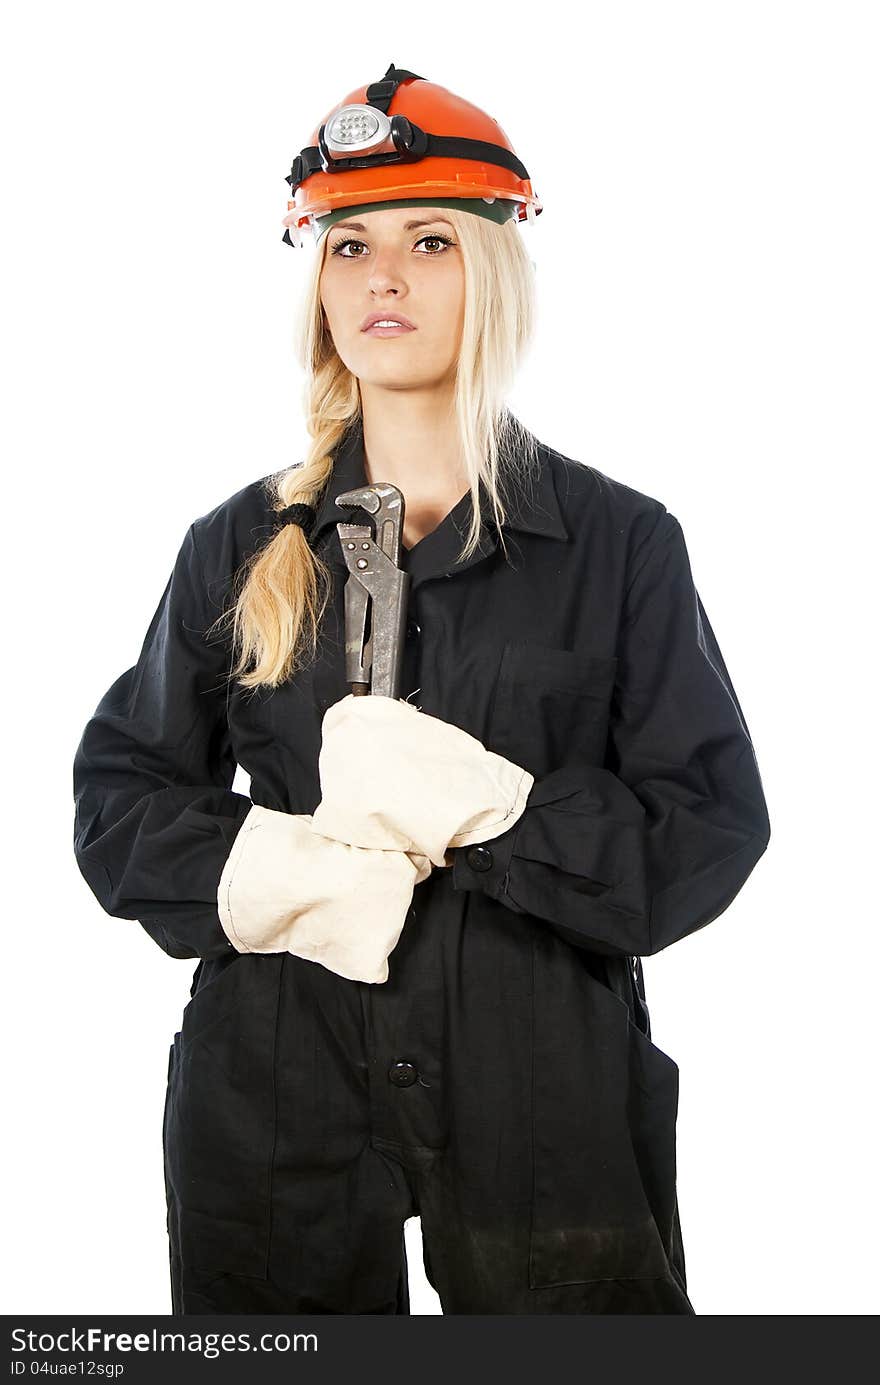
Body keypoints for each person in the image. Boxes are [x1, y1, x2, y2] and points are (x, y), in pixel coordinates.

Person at [72, 63, 771, 1315]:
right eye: (348, 246)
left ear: (495, 273)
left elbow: (706, 826)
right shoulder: (234, 545)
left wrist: (493, 812)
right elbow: (121, 798)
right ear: (317, 280)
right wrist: (274, 868)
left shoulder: (618, 543)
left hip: (543, 1081)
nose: (380, 278)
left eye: (429, 240)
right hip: (271, 1084)